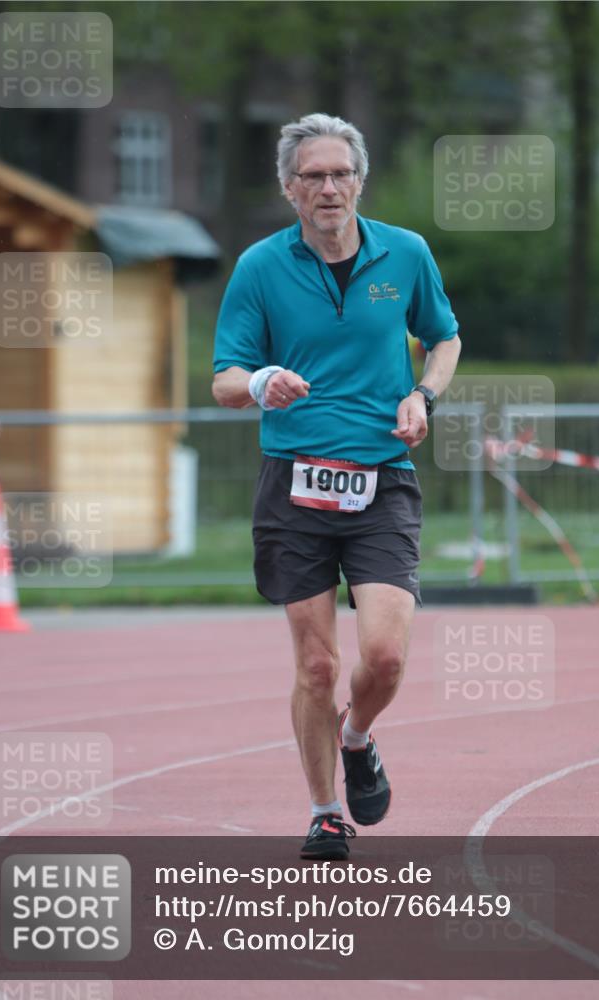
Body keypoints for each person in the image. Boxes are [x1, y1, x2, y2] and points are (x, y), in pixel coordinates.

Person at [212, 113, 461, 860]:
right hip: (295, 485)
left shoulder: (405, 254)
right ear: (289, 189)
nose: (328, 187)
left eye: (340, 173)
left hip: (381, 479)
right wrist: (260, 381)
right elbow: (224, 379)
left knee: (383, 657)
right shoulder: (259, 266)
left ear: (359, 181)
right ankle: (325, 811)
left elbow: (444, 335)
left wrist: (424, 395)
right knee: (316, 665)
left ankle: (357, 739)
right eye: (313, 176)